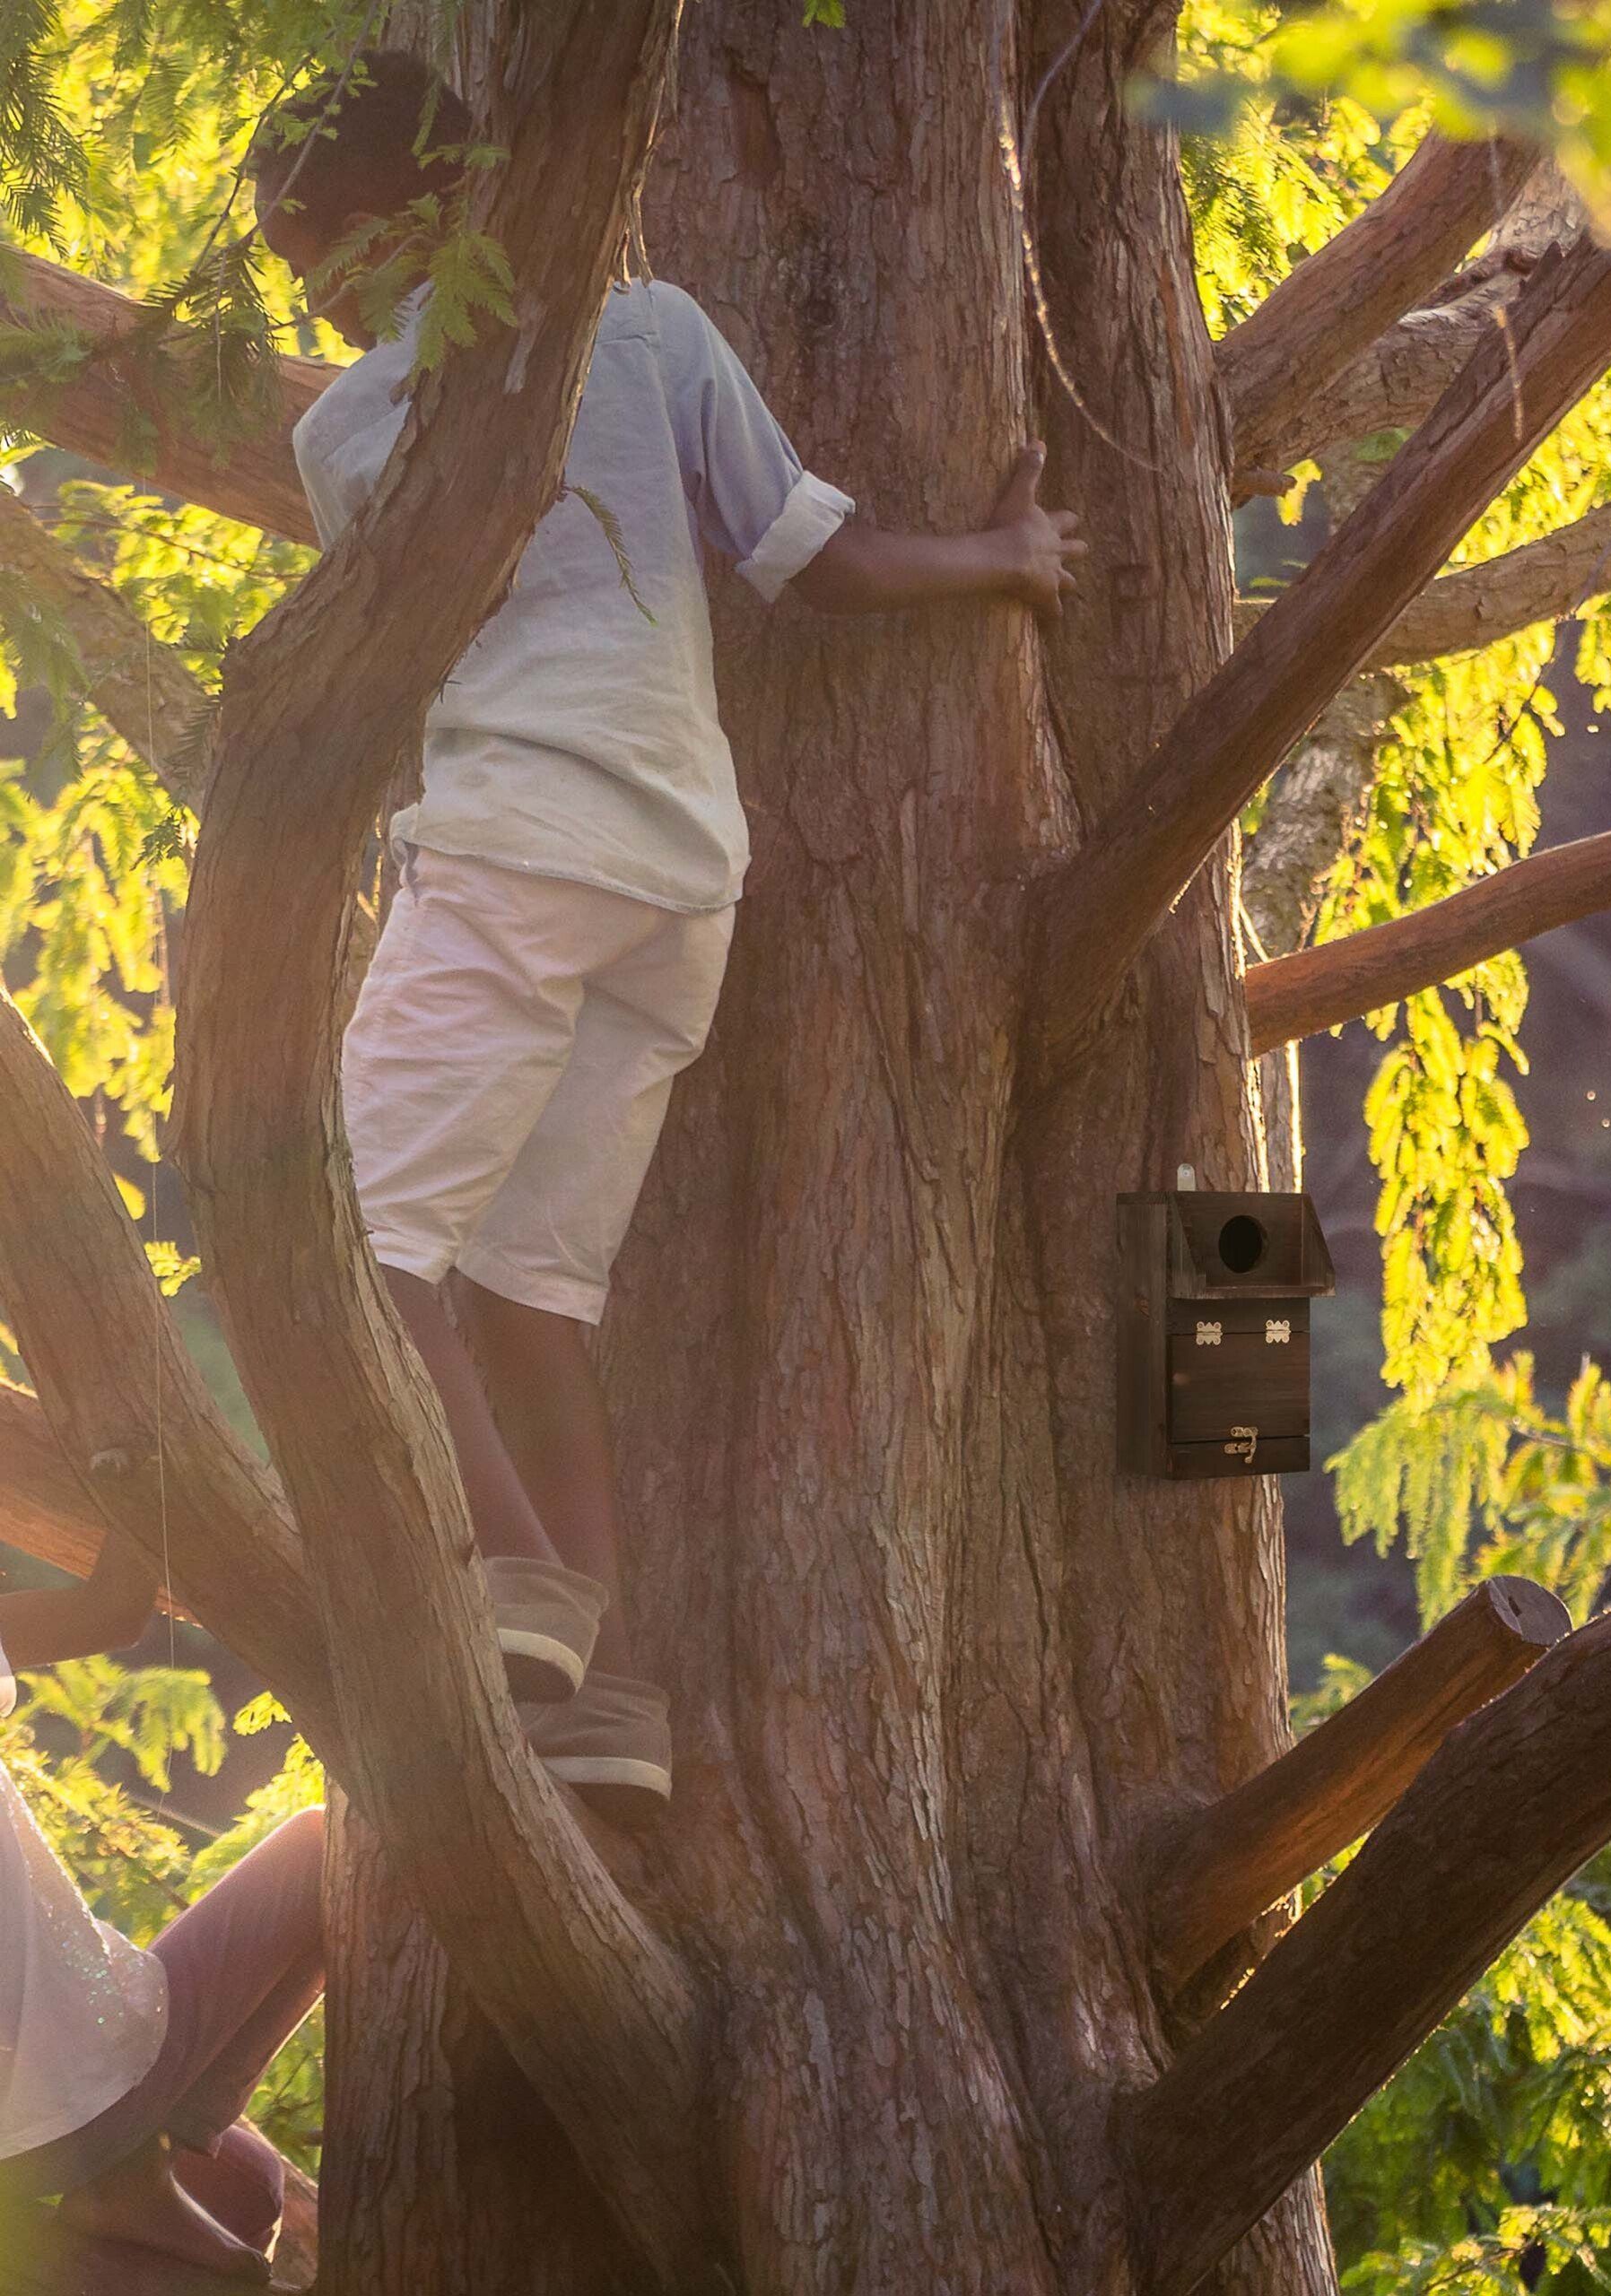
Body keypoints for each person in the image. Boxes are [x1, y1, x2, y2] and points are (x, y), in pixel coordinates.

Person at [249, 53, 1085, 1820]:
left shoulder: (348, 428)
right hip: (680, 883)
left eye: (313, 244)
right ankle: (604, 1702)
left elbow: (385, 680)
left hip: (509, 848)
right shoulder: (647, 331)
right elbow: (814, 557)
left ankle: (507, 1604)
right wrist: (1005, 556)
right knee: (527, 1290)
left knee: (358, 1241)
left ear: (417, 210)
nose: (300, 290)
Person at [0, 1530, 324, 2283]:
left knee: (246, 2179)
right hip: (66, 2088)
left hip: (39, 2117)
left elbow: (110, 1613)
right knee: (319, 1853)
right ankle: (131, 2172)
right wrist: (139, 1473)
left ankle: (134, 2174)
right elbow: (112, 1612)